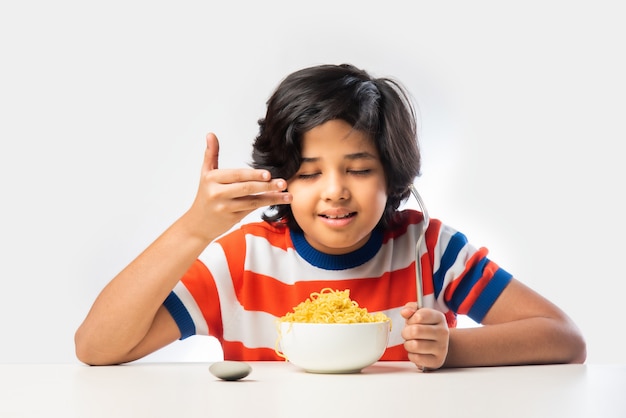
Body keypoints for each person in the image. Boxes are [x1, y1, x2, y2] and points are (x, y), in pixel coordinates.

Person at [75, 63, 586, 369]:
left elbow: (564, 339)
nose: (336, 191)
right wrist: (194, 229)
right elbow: (97, 348)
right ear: (281, 179)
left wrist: (450, 349)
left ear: (393, 176)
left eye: (359, 168)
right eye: (310, 172)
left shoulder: (429, 251)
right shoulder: (243, 260)